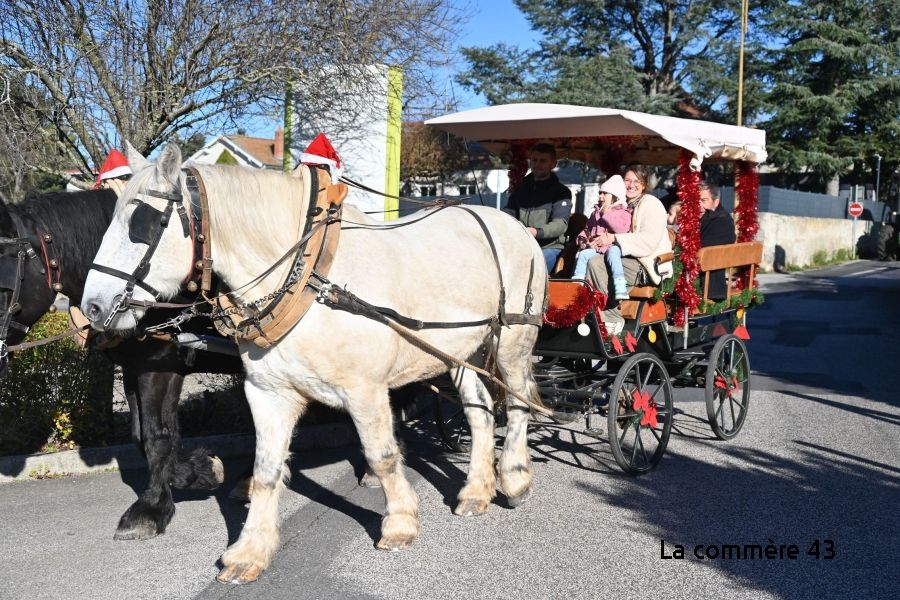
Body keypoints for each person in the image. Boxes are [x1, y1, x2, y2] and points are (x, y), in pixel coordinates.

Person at [585, 164, 673, 334]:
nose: (631, 185)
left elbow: (648, 241)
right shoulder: (620, 204)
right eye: (627, 180)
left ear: (645, 184)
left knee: (597, 264)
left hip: (646, 261)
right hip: (617, 254)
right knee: (589, 260)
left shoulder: (651, 204)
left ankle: (612, 318)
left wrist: (613, 238)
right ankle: (588, 312)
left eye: (637, 181)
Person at [504, 143, 572, 274]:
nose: (537, 164)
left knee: (530, 267)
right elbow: (508, 214)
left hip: (550, 247)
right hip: (522, 243)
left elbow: (560, 225)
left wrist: (536, 232)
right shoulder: (520, 189)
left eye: (543, 161)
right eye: (534, 160)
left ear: (553, 164)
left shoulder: (561, 192)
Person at [572, 175, 632, 300]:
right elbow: (587, 229)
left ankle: (620, 284)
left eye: (605, 194)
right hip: (597, 248)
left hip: (613, 246)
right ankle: (577, 282)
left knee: (614, 253)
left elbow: (621, 229)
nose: (601, 197)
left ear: (615, 197)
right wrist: (584, 239)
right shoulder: (595, 213)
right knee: (583, 255)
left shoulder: (623, 213)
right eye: (600, 193)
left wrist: (607, 215)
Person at [699, 182, 736, 300]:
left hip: (708, 285)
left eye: (704, 200)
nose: (698, 205)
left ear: (716, 202)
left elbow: (702, 252)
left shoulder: (721, 221)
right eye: (696, 200)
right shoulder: (711, 217)